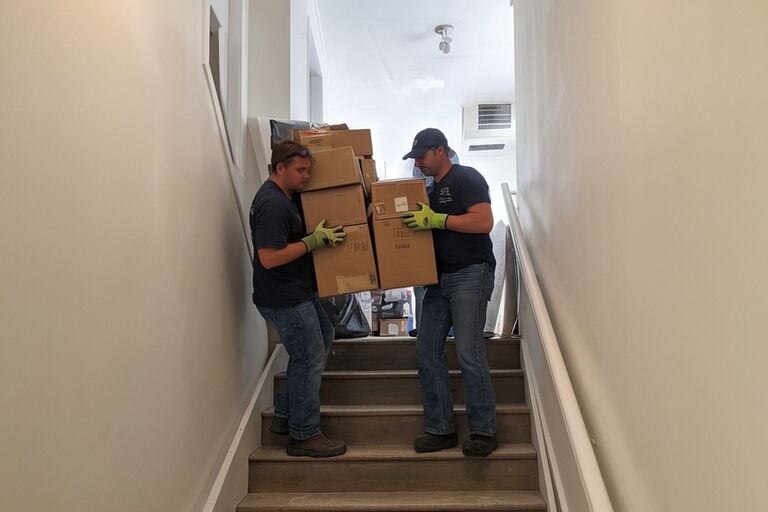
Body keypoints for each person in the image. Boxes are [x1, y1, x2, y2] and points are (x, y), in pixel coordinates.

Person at [401, 128, 497, 457]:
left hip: (471, 272)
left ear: (440, 151)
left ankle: (483, 431)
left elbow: (483, 222)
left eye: (422, 157)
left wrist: (439, 220)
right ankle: (441, 428)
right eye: (415, 159)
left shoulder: (465, 178)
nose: (419, 164)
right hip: (439, 280)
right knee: (427, 350)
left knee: (469, 353)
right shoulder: (429, 190)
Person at [250, 140, 347, 458]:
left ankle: (284, 416)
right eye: (300, 170)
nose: (307, 176)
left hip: (296, 291)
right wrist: (311, 242)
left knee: (324, 335)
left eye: (308, 170)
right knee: (308, 357)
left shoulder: (286, 198)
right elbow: (269, 257)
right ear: (281, 168)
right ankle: (304, 435)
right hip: (283, 297)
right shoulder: (273, 204)